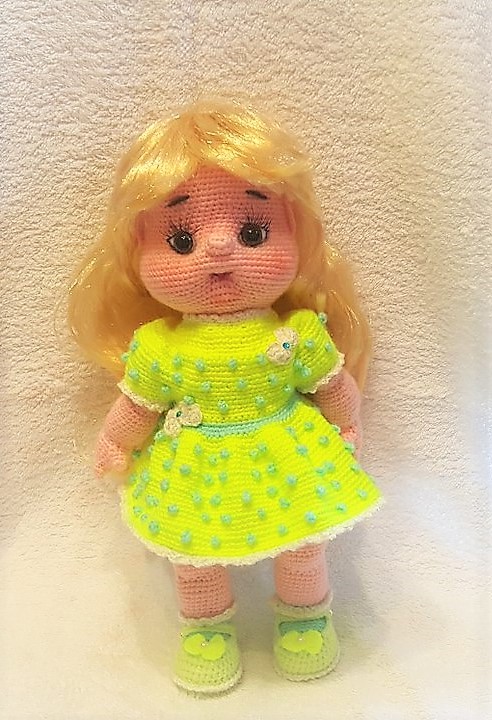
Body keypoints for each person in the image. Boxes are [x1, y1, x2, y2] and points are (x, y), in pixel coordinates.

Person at [68, 100, 383, 694]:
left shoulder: (296, 335)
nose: (217, 249)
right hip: (196, 467)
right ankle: (206, 629)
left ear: (293, 234)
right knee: (195, 556)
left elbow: (332, 384)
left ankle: (305, 619)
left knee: (302, 543)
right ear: (137, 253)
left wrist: (348, 424)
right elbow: (137, 405)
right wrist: (114, 439)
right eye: (181, 238)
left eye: (253, 232)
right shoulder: (159, 347)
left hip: (286, 456)